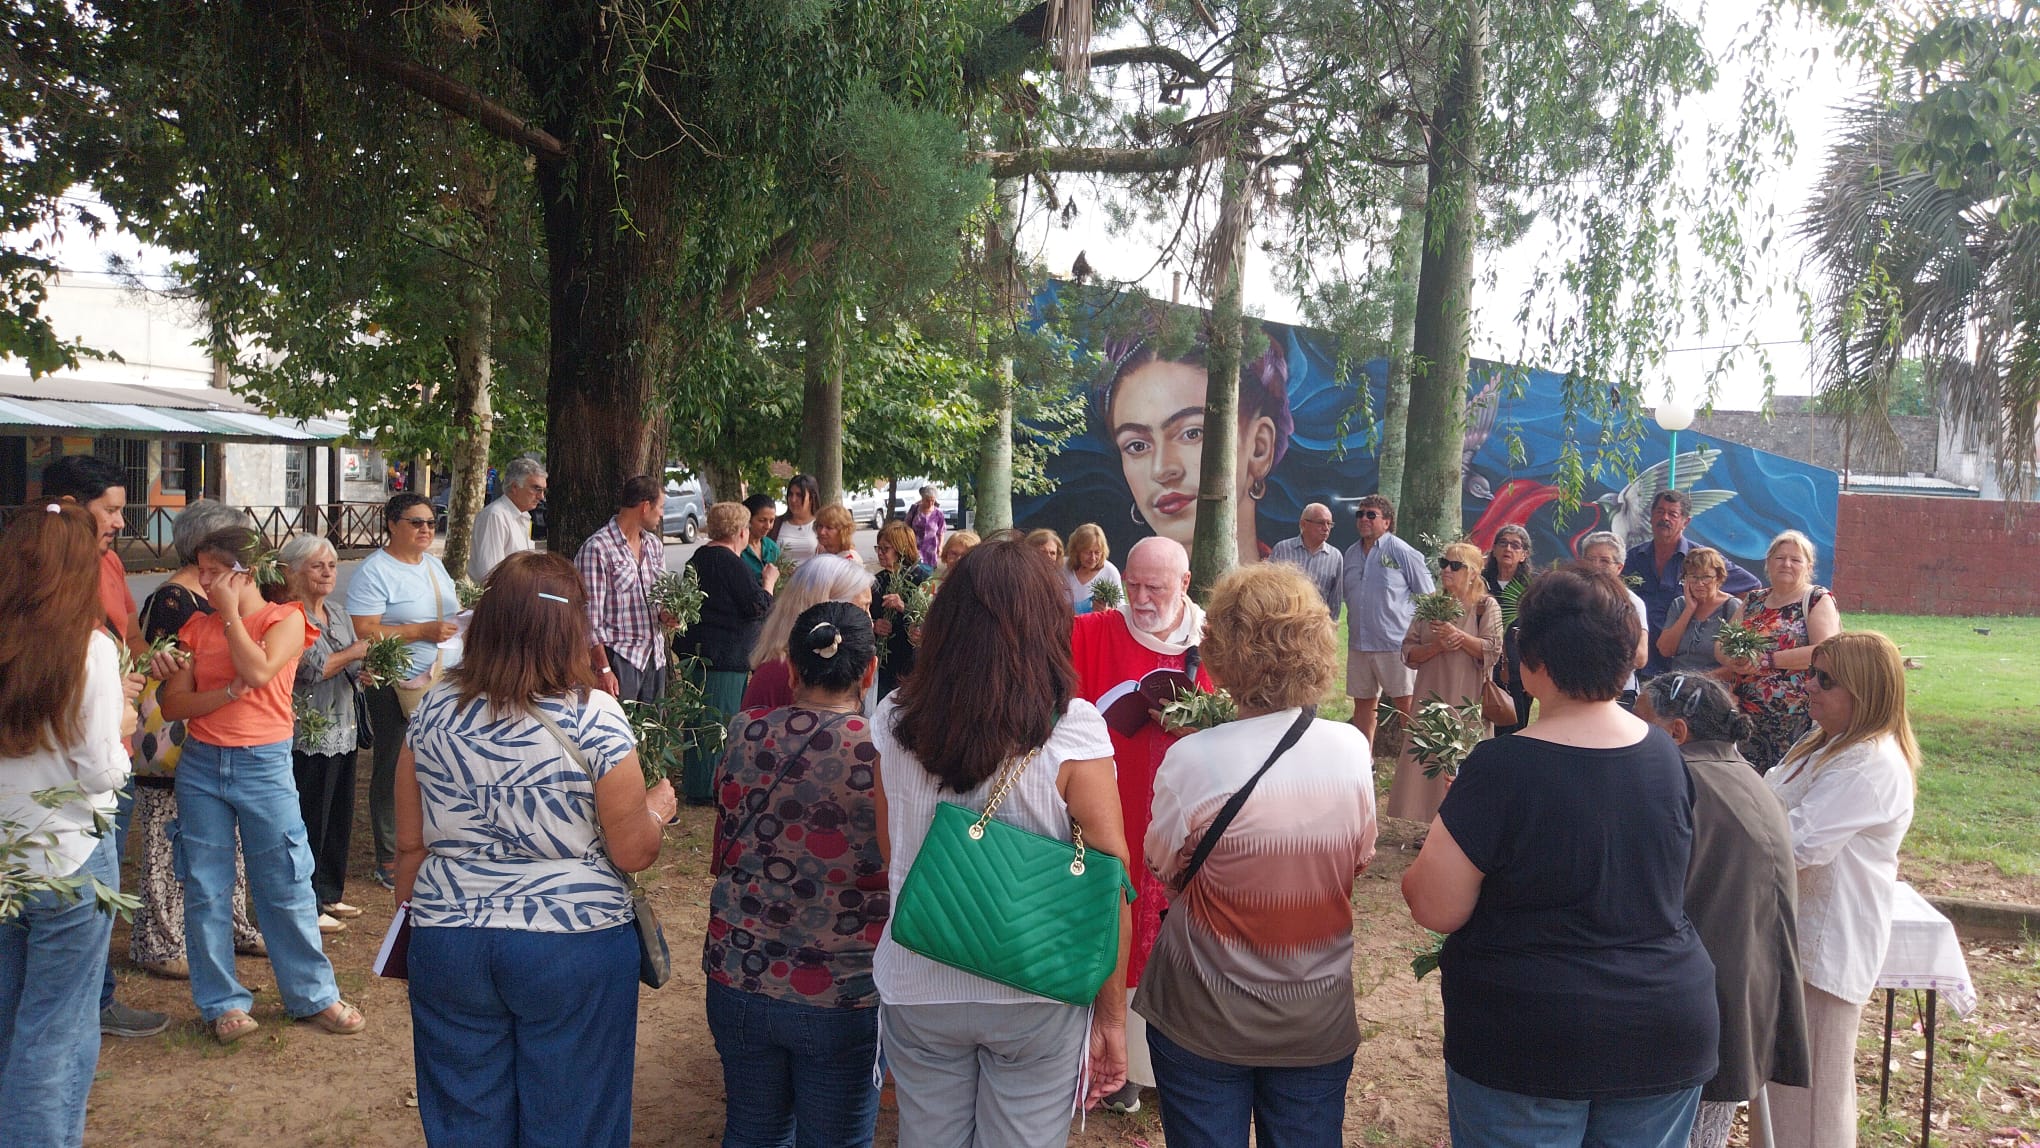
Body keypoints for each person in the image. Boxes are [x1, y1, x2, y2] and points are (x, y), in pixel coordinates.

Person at [1401, 565, 1720, 1147]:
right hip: (1662, 1023)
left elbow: (1435, 906)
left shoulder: (1501, 767)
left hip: (1528, 1036)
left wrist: (1457, 823)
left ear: (1532, 661)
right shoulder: (1664, 754)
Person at [394, 550, 678, 1147]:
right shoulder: (595, 718)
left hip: (450, 939)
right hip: (573, 942)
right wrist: (657, 809)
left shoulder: (432, 711)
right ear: (570, 629)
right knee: (575, 1120)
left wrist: (420, 931)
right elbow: (632, 851)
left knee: (464, 1121)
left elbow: (411, 846)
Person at [873, 539, 1133, 1145]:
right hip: (1037, 984)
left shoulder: (893, 719)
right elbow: (1109, 886)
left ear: (946, 624)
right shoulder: (1073, 731)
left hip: (919, 973)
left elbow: (893, 851)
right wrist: (1112, 1017)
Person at [1138, 563, 1379, 1146]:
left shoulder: (1192, 760)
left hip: (1201, 1015)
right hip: (1314, 1017)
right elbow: (1359, 859)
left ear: (1220, 653)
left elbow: (1161, 864)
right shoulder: (1351, 749)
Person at [159, 526, 364, 1044]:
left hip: (264, 763)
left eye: (213, 572)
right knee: (206, 886)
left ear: (245, 573)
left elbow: (257, 670)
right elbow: (174, 704)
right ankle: (222, 1002)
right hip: (202, 764)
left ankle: (313, 995)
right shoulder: (195, 627)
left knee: (286, 880)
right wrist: (225, 694)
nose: (204, 582)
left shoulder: (285, 619)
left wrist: (230, 617)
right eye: (201, 571)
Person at [706, 603, 885, 1148]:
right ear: (870, 672)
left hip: (739, 970)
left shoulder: (745, 731)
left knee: (752, 1132)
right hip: (842, 987)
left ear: (791, 668)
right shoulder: (882, 752)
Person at [0, 503, 140, 1146]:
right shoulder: (88, 649)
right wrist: (123, 726)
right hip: (69, 854)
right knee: (56, 1031)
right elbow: (101, 772)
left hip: (9, 852)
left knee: (11, 1019)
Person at [1069, 536, 1214, 1112]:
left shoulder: (1214, 643)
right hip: (1113, 810)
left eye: (1155, 587)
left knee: (1183, 935)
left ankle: (1175, 1064)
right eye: (1132, 584)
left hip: (1191, 819)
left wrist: (1200, 727)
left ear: (1185, 584)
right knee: (1114, 921)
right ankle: (1118, 1062)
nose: (1141, 597)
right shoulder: (1092, 633)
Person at [1636, 673, 1811, 1148]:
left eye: (1639, 723)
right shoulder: (1747, 777)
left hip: (1697, 1002)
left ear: (1676, 732)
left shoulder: (1678, 781)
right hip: (1738, 996)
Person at [1760, 631, 1917, 1148]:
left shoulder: (1870, 763)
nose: (1809, 686)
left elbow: (1798, 844)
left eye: (1825, 679)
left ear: (1863, 689)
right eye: (1812, 673)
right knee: (1781, 1098)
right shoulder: (1822, 742)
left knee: (1814, 1103)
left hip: (1824, 950)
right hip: (1793, 938)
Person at [40, 454, 172, 1040]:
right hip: (66, 759)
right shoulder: (39, 574)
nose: (120, 522)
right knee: (76, 888)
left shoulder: (111, 562)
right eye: (111, 510)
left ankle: (96, 997)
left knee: (102, 882)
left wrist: (152, 662)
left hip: (111, 745)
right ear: (69, 507)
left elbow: (131, 636)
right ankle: (82, 1007)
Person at [127, 500, 264, 981]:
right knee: (168, 837)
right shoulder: (173, 599)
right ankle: (159, 941)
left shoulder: (223, 594)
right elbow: (163, 674)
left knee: (229, 836)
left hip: (219, 732)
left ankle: (233, 924)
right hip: (176, 739)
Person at [1092, 319, 1293, 563]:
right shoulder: (1117, 587)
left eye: (1192, 433)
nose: (1162, 470)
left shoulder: (1290, 586)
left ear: (1260, 447)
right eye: (1137, 446)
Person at [346, 492, 463, 890]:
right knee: (395, 765)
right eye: (416, 522)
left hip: (441, 680)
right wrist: (420, 632)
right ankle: (389, 855)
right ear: (392, 525)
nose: (426, 529)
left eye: (431, 522)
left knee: (436, 763)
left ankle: (429, 842)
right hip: (394, 683)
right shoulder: (375, 571)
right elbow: (364, 631)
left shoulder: (434, 564)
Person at [279, 535, 367, 932]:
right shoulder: (291, 615)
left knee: (338, 816)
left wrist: (363, 670)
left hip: (344, 726)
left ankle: (330, 891)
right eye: (317, 566)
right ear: (294, 572)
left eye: (331, 565)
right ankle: (309, 901)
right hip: (309, 731)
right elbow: (312, 669)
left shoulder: (338, 612)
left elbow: (348, 666)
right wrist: (355, 653)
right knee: (311, 818)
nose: (328, 573)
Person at [1387, 541, 1503, 825]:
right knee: (1430, 757)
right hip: (1430, 696)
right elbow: (1408, 651)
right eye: (1443, 563)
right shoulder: (1431, 605)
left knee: (1464, 759)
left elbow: (1493, 649)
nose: (1446, 570)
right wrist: (1436, 647)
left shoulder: (1486, 606)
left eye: (1455, 565)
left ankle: (1463, 824)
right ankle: (1432, 824)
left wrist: (1459, 637)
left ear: (1473, 572)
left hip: (1467, 697)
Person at [674, 502, 779, 805]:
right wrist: (769, 583)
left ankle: (699, 782)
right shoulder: (730, 562)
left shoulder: (699, 557)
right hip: (723, 655)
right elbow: (756, 605)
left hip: (699, 653)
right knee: (717, 722)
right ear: (740, 531)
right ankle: (708, 786)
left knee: (700, 720)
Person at [1723, 531, 1843, 773]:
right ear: (1768, 563)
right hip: (1744, 717)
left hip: (1794, 719)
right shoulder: (1754, 600)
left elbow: (1825, 651)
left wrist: (1768, 660)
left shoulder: (1816, 599)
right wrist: (1733, 660)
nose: (1786, 564)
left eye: (1795, 559)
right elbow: (1723, 641)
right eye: (1779, 558)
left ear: (1808, 566)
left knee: (1784, 782)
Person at [1623, 490, 1760, 677]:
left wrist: (1723, 617)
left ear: (1685, 522)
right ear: (1651, 516)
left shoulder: (1702, 560)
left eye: (1673, 514)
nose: (1665, 518)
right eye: (1660, 512)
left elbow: (1752, 589)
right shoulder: (1632, 558)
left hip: (1686, 667)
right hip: (1640, 662)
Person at [1340, 495, 1433, 748]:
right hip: (1359, 645)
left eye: (1371, 515)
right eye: (1360, 514)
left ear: (1387, 522)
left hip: (1394, 644)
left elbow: (1427, 595)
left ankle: (1415, 763)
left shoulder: (1402, 551)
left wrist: (1418, 638)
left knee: (1406, 704)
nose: (1364, 519)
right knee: (1363, 704)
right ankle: (1364, 760)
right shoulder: (1350, 553)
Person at [575, 475, 670, 704]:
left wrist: (668, 615)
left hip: (654, 658)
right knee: (618, 724)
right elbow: (588, 617)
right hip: (619, 657)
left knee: (652, 725)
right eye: (660, 507)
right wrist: (603, 669)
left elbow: (661, 598)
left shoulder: (654, 546)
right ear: (645, 507)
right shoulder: (598, 548)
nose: (662, 514)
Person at [742, 557, 875, 713]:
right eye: (862, 609)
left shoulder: (792, 666)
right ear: (829, 609)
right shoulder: (791, 673)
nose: (870, 621)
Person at [1580, 531, 1652, 708]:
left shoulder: (1632, 603)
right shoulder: (1569, 597)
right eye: (1590, 559)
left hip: (1618, 693)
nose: (1596, 566)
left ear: (1619, 568)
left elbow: (1640, 657)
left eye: (1605, 561)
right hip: (1575, 691)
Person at [1481, 523, 1534, 735]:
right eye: (1503, 543)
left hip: (1518, 671)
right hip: (1482, 667)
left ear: (1524, 554)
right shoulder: (1480, 583)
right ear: (1494, 549)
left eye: (1515, 545)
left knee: (1514, 729)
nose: (1508, 549)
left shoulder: (1532, 588)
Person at [1656, 547, 1741, 676]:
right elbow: (1665, 650)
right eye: (1694, 577)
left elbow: (1738, 664)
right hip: (1677, 679)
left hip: (1714, 682)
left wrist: (1699, 681)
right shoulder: (1679, 604)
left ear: (1718, 578)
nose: (1700, 583)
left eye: (1706, 577)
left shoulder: (1732, 607)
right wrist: (1689, 610)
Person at [871, 521, 931, 700]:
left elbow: (928, 619)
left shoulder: (921, 579)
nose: (880, 553)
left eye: (885, 549)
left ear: (901, 550)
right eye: (878, 548)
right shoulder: (878, 580)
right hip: (884, 661)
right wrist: (874, 625)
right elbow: (866, 614)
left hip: (910, 660)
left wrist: (903, 607)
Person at [468, 456, 546, 582]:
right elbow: (489, 574)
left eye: (543, 490)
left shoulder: (523, 516)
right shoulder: (495, 516)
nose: (541, 497)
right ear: (514, 487)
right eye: (536, 489)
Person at [1268, 502, 1342, 619]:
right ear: (1303, 524)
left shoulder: (1335, 557)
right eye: (1321, 523)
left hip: (1316, 625)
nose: (1326, 528)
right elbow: (1268, 590)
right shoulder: (1282, 550)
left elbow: (1335, 601)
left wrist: (1331, 626)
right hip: (1284, 622)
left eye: (1329, 523)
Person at [1063, 523, 1123, 616]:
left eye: (1097, 552)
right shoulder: (1062, 567)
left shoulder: (1110, 572)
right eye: (1088, 552)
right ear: (1076, 551)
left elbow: (1121, 610)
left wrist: (1106, 611)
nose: (1093, 558)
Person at [771, 474, 822, 567]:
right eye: (790, 494)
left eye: (799, 495)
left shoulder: (822, 525)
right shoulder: (776, 524)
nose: (793, 500)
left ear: (812, 497)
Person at [738, 493, 782, 584]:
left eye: (771, 521)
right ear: (748, 519)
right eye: (762, 520)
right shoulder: (737, 547)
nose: (768, 526)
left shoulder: (772, 547)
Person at [906, 484, 946, 568]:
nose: (930, 503)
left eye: (933, 501)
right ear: (922, 498)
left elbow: (941, 532)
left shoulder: (938, 514)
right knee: (915, 570)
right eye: (927, 500)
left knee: (929, 572)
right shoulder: (914, 509)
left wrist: (940, 547)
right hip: (914, 547)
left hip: (931, 551)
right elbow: (906, 527)